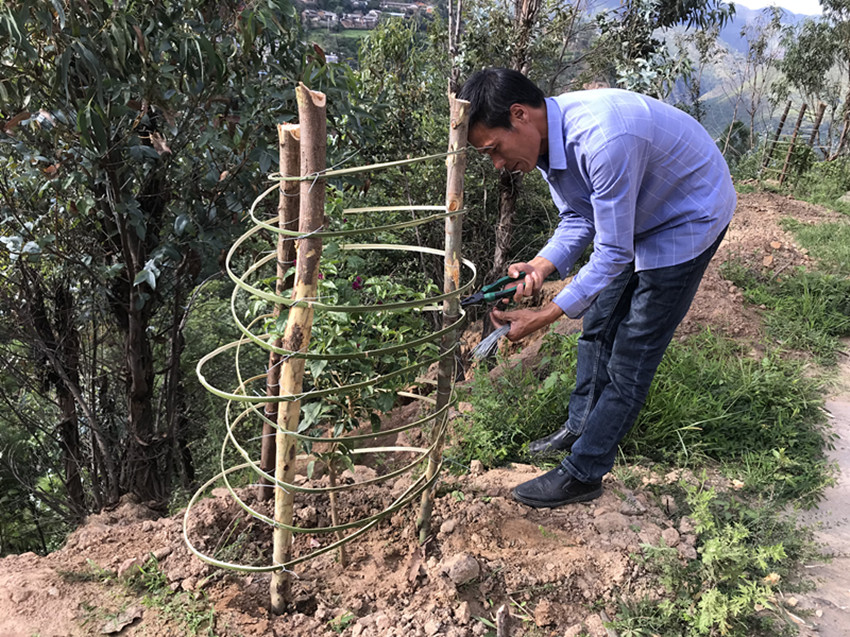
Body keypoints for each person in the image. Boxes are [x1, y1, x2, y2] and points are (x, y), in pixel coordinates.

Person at [457, 68, 736, 508]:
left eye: (493, 149)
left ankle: (584, 472)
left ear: (519, 115)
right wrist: (540, 266)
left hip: (688, 215)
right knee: (599, 325)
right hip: (642, 213)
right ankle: (580, 426)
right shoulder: (548, 145)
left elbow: (613, 253)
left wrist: (546, 315)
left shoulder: (603, 141)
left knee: (632, 353)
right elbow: (579, 216)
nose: (497, 165)